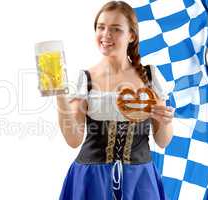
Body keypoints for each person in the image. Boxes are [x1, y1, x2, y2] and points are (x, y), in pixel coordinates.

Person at [56, 1, 174, 200]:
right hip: (92, 178)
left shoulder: (150, 77)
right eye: (101, 27)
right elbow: (73, 140)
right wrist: (59, 95)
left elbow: (162, 141)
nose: (106, 35)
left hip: (140, 180)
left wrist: (166, 121)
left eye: (116, 29)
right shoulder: (85, 80)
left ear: (132, 35)